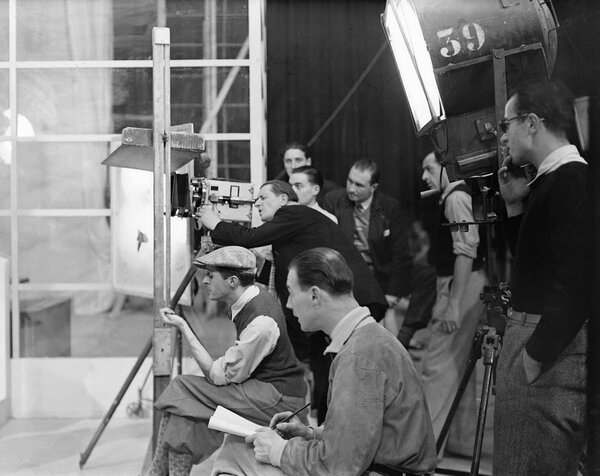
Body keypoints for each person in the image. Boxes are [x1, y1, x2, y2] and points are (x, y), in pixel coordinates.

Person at [197, 181, 388, 425]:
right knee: (326, 371)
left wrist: (215, 223)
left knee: (340, 373)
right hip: (336, 305)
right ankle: (327, 432)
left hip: (351, 300)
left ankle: (334, 435)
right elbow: (273, 275)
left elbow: (251, 237)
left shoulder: (294, 213)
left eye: (264, 197)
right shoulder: (291, 231)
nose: (257, 203)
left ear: (284, 200)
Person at [244, 247, 437, 475]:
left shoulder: (360, 354)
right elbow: (365, 433)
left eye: (291, 292)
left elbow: (338, 467)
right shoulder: (368, 339)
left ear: (315, 295)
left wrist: (280, 451)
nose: (288, 304)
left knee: (243, 455)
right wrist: (312, 434)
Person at [494, 78, 589, 475]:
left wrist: (534, 357)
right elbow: (536, 268)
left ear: (532, 122)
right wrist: (516, 209)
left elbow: (579, 281)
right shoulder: (551, 179)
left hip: (545, 351)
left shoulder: (572, 180)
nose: (502, 136)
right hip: (536, 343)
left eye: (507, 124)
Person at [146, 246, 307, 476]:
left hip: (279, 398)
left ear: (232, 281)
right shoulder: (255, 293)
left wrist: (184, 326)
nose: (204, 281)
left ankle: (157, 472)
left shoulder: (260, 323)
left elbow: (217, 376)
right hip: (265, 389)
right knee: (183, 407)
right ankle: (158, 472)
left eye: (211, 275)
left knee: (181, 389)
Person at [323, 159, 436, 348]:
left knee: (426, 277)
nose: (351, 188)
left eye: (359, 185)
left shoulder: (388, 206)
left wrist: (392, 293)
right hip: (347, 271)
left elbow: (401, 253)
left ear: (373, 187)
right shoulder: (334, 200)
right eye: (350, 181)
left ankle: (405, 337)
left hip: (380, 272)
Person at [418, 151, 487, 455]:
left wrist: (454, 303)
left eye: (429, 169)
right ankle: (459, 441)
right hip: (461, 282)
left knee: (438, 364)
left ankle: (427, 448)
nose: (424, 176)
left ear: (447, 168)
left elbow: (466, 251)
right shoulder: (453, 196)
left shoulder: (456, 198)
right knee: (455, 364)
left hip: (461, 285)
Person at [273, 141, 341, 205]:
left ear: (308, 162)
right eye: (288, 161)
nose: (293, 166)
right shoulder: (277, 191)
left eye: (298, 160)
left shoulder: (330, 191)